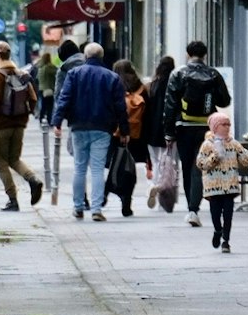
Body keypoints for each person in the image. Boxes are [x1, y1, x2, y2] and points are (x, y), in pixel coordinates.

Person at [51, 42, 129, 222]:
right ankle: (96, 209)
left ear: (86, 56)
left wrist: (57, 121)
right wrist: (124, 130)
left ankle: (78, 207)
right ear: (102, 57)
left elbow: (64, 98)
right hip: (102, 127)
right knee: (97, 169)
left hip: (78, 126)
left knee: (79, 168)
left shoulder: (73, 74)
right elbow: (120, 107)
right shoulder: (112, 77)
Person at [163, 40, 231, 229]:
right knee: (199, 167)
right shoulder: (213, 74)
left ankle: (191, 209)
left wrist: (168, 132)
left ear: (187, 54)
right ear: (205, 55)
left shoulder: (178, 73)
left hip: (183, 127)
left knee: (187, 166)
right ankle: (194, 207)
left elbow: (169, 105)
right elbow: (225, 100)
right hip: (207, 128)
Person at [0, 42, 45, 211]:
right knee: (14, 159)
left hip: (2, 125)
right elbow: (33, 98)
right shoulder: (20, 73)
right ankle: (33, 179)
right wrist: (24, 115)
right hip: (19, 124)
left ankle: (13, 199)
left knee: (1, 161)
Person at [196, 111, 244, 252]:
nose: (227, 127)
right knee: (215, 213)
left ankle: (226, 241)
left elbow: (245, 158)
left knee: (228, 214)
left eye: (228, 124)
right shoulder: (207, 145)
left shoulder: (233, 144)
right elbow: (201, 163)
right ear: (215, 127)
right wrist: (214, 157)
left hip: (229, 185)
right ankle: (218, 230)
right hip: (214, 187)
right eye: (224, 124)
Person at [109, 60, 147, 217]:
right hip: (136, 134)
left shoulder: (112, 83)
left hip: (116, 132)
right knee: (129, 169)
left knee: (115, 165)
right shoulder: (141, 87)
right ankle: (127, 200)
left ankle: (108, 191)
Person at [140, 55, 176, 208]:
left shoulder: (150, 86)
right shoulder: (174, 85)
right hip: (169, 129)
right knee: (170, 163)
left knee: (155, 163)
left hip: (151, 130)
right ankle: (166, 198)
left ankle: (154, 186)